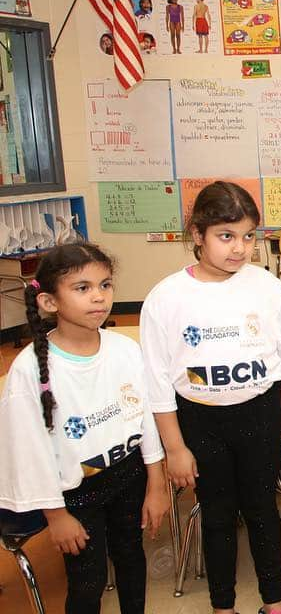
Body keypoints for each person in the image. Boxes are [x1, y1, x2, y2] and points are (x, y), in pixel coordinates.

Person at [140, 182, 281, 614]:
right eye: (226, 236)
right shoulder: (166, 298)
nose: (240, 248)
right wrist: (174, 448)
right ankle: (222, 606)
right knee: (217, 515)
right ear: (197, 235)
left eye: (249, 236)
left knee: (263, 510)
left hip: (259, 412)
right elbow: (157, 383)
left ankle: (275, 601)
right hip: (200, 421)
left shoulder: (267, 286)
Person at [0, 243, 169, 614]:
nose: (99, 297)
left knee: (131, 561)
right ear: (49, 302)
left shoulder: (124, 349)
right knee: (87, 582)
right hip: (76, 493)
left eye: (105, 285)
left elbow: (144, 420)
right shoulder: (30, 370)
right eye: (82, 288)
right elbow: (29, 451)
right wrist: (57, 516)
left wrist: (156, 484)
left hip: (128, 475)